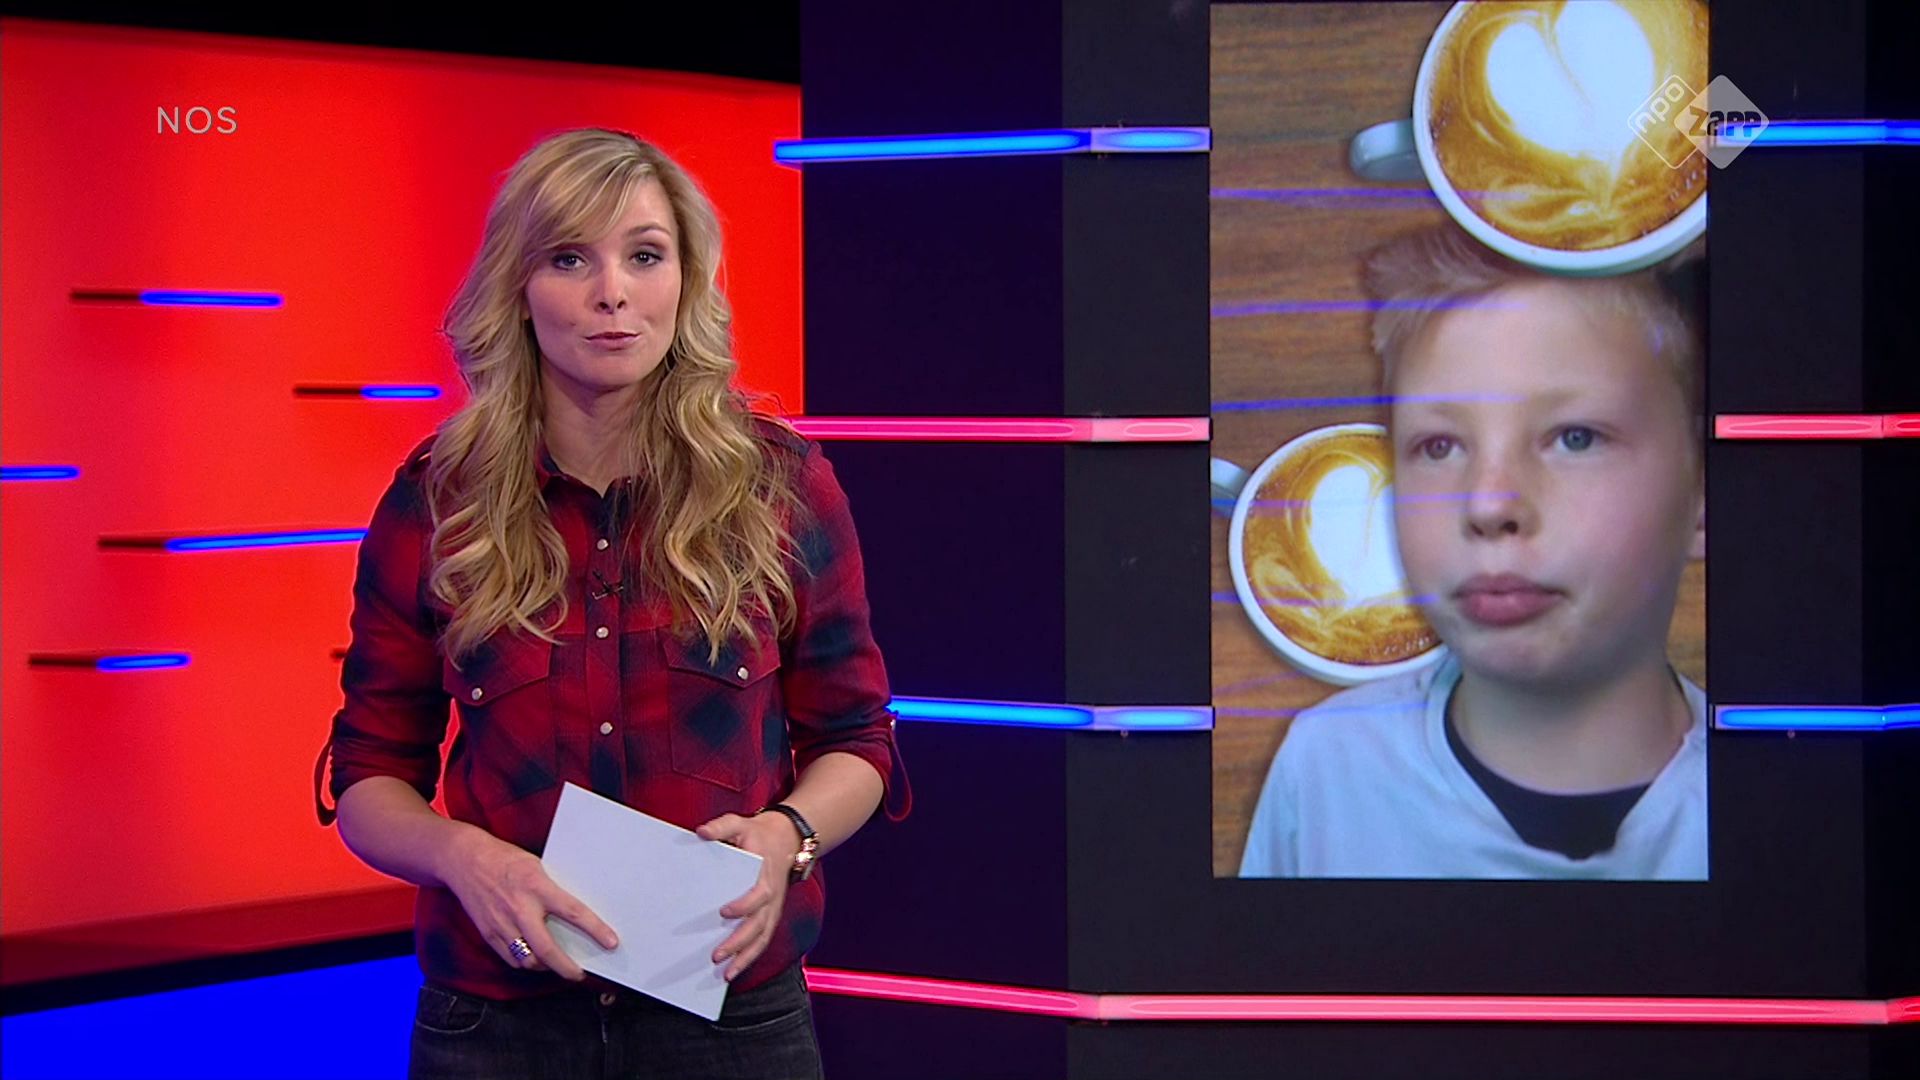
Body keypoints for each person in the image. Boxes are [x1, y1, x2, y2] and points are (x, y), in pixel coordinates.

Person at [312, 127, 910, 1078]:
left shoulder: (782, 487)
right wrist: (465, 859)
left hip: (730, 1025)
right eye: (568, 259)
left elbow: (858, 740)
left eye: (644, 255)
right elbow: (369, 776)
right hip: (497, 1027)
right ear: (517, 287)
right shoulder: (438, 501)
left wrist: (784, 839)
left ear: (686, 279)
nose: (612, 293)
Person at [1240, 223, 1706, 880]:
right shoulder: (1323, 770)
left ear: (1703, 495)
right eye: (1438, 447)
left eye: (1574, 437)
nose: (1488, 504)